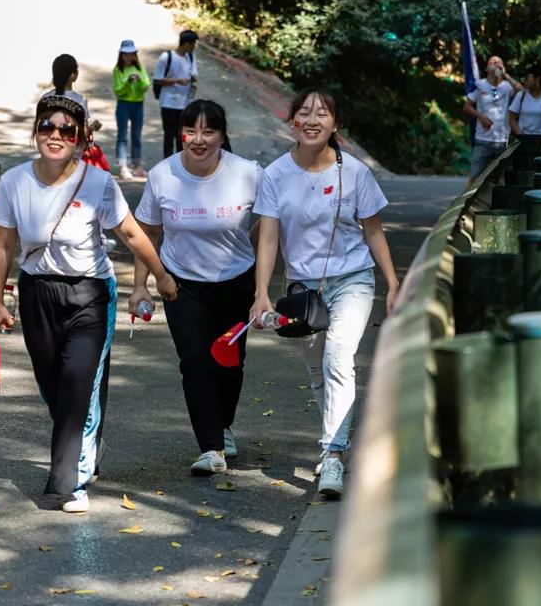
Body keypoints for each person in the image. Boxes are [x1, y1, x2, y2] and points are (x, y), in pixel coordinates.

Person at [0, 92, 177, 514]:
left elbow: (129, 234)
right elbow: (3, 244)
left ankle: (66, 484)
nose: (55, 135)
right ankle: (88, 440)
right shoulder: (14, 182)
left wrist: (160, 275)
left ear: (81, 138)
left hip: (90, 293)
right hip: (38, 291)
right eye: (46, 127)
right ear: (35, 131)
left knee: (77, 381)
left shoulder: (97, 183)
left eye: (66, 129)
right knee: (52, 384)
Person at [249, 88, 400, 498]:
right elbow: (267, 238)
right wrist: (262, 293)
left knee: (338, 356)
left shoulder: (354, 173)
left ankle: (331, 454)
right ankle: (337, 436)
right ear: (293, 121)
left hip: (353, 278)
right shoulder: (276, 174)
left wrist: (393, 283)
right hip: (303, 289)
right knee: (317, 370)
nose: (313, 119)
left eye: (323, 113)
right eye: (304, 113)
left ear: (335, 124)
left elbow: (373, 230)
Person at [131, 100, 263, 476]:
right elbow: (148, 233)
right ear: (181, 133)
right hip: (181, 283)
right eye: (191, 131)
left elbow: (273, 223)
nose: (199, 140)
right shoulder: (162, 176)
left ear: (223, 136)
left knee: (230, 362)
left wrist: (261, 274)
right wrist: (142, 284)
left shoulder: (248, 173)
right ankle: (211, 447)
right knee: (195, 361)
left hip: (237, 280)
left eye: (209, 132)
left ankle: (222, 424)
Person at [463, 55, 522, 178]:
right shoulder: (479, 85)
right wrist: (480, 116)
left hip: (502, 140)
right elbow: (467, 107)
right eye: (493, 62)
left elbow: (521, 91)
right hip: (483, 140)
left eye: (499, 62)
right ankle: (470, 198)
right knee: (475, 178)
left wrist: (505, 75)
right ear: (487, 68)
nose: (496, 64)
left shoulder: (507, 86)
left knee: (503, 179)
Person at [153, 30, 199, 158]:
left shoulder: (190, 57)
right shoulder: (166, 57)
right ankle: (167, 162)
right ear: (186, 44)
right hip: (168, 103)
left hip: (184, 103)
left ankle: (181, 163)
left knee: (182, 136)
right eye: (193, 44)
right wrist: (176, 81)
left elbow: (194, 74)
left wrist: (193, 78)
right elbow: (157, 79)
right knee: (169, 134)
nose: (194, 47)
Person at [112, 40, 151, 181]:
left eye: (131, 54)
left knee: (136, 136)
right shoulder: (117, 71)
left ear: (135, 55)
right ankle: (123, 166)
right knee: (122, 137)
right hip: (123, 104)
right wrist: (128, 82)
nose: (129, 57)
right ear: (121, 55)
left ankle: (136, 165)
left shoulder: (140, 69)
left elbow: (146, 87)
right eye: (126, 54)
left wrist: (139, 80)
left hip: (138, 105)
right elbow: (118, 91)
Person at [508, 63, 541, 136]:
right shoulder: (521, 96)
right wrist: (520, 134)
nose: (524, 80)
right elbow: (512, 118)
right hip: (522, 139)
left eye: (527, 77)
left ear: (537, 79)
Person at [43, 54, 90, 124]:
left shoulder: (45, 98)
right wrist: (92, 128)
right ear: (73, 75)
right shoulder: (80, 101)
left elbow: (41, 128)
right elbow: (83, 132)